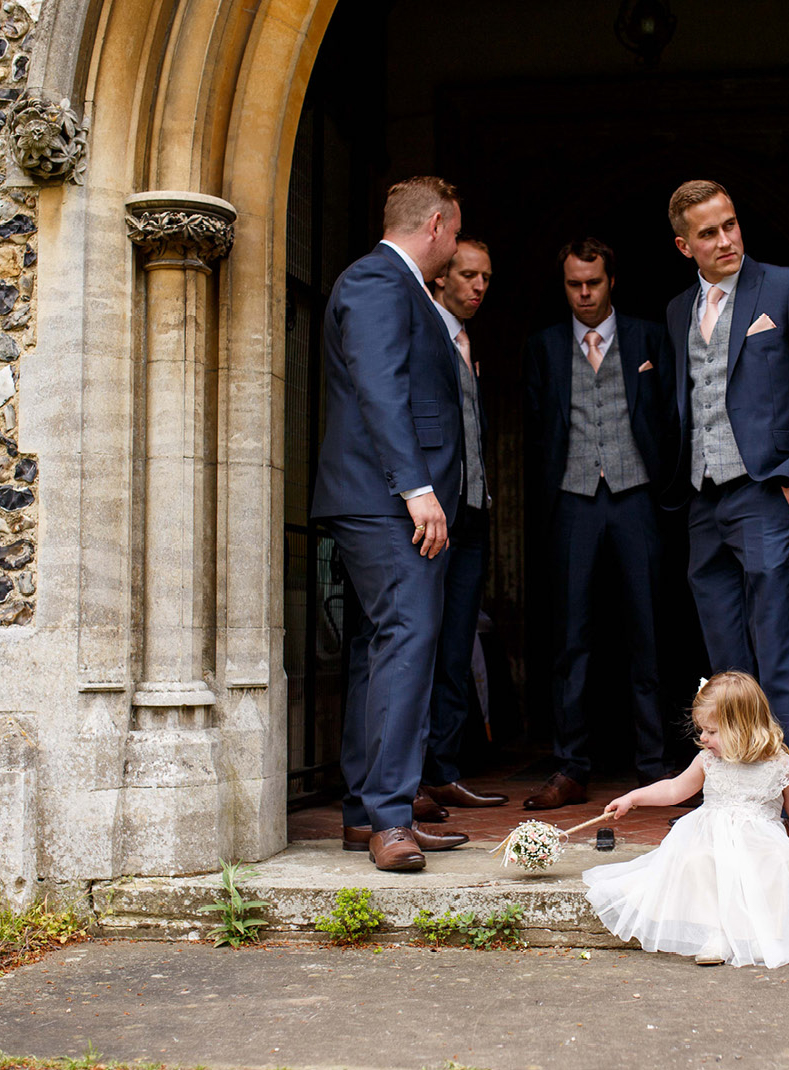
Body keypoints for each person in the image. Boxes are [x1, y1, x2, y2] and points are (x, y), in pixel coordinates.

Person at [663, 180, 789, 803]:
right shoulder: (676, 313)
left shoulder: (786, 286)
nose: (726, 240)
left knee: (780, 644)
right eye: (709, 233)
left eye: (731, 224)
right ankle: (738, 788)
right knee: (725, 658)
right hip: (702, 498)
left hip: (767, 491)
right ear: (684, 245)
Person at [310, 176, 471, 872]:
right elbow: (380, 388)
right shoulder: (379, 281)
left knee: (380, 648)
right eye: (457, 233)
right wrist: (417, 488)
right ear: (435, 225)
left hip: (380, 500)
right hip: (385, 500)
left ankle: (366, 813)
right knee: (406, 639)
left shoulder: (387, 283)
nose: (457, 245)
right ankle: (390, 819)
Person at [521, 238, 675, 809]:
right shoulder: (542, 347)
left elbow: (669, 419)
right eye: (573, 284)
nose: (584, 294)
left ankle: (654, 766)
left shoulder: (649, 338)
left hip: (638, 498)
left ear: (612, 282)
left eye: (593, 283)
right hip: (573, 501)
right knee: (572, 639)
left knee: (649, 635)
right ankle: (570, 767)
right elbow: (537, 434)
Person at [582, 671, 789, 969]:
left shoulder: (778, 763)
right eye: (702, 730)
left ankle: (756, 934)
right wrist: (633, 798)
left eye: (712, 732)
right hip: (710, 834)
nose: (703, 738)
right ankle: (714, 934)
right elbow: (675, 788)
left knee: (779, 862)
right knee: (699, 861)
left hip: (759, 839)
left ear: (743, 727)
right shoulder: (708, 760)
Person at [420, 236, 509, 812]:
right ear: (441, 278)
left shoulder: (466, 338)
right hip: (434, 513)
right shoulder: (425, 332)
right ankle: (414, 777)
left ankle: (445, 770)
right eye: (469, 275)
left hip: (472, 512)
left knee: (456, 648)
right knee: (422, 646)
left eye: (486, 277)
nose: (479, 287)